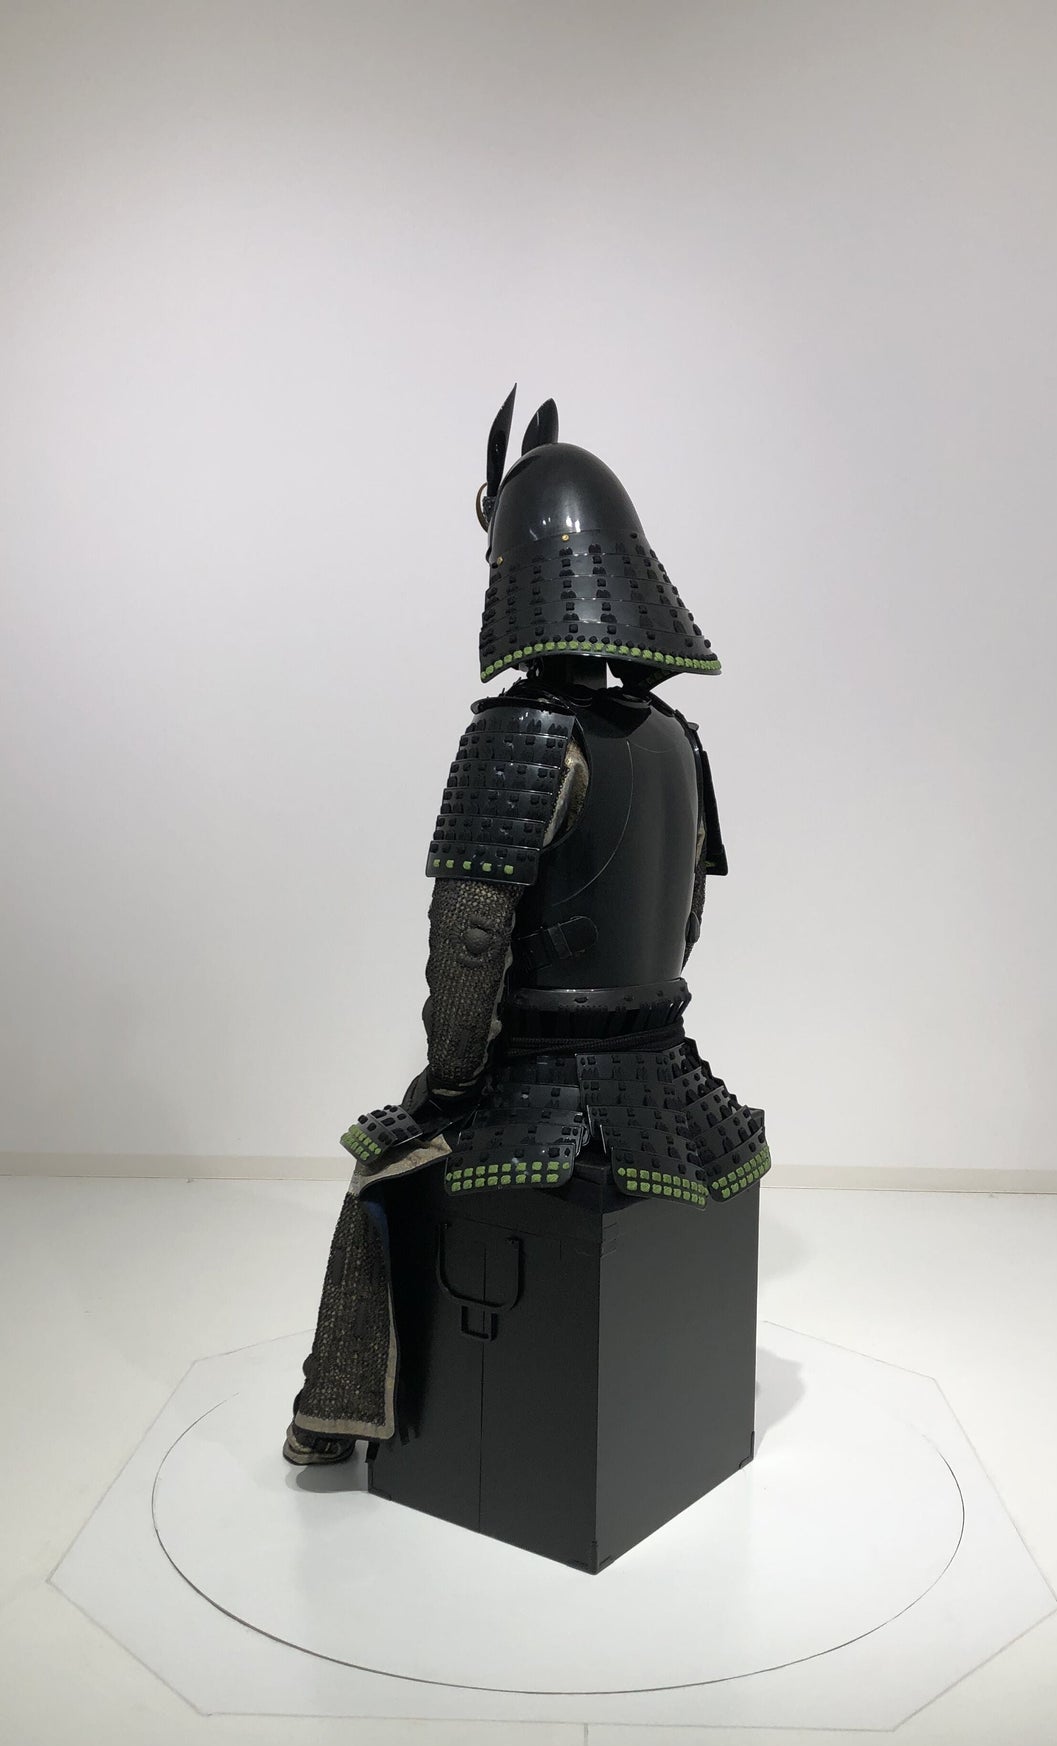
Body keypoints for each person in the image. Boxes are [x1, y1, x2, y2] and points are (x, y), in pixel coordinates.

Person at [284, 389, 769, 1466]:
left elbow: (469, 937)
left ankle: (331, 1417)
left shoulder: (521, 733)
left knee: (379, 1166)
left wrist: (454, 1076)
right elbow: (686, 916)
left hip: (546, 1083)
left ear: (515, 574)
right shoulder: (676, 739)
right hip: (664, 1068)